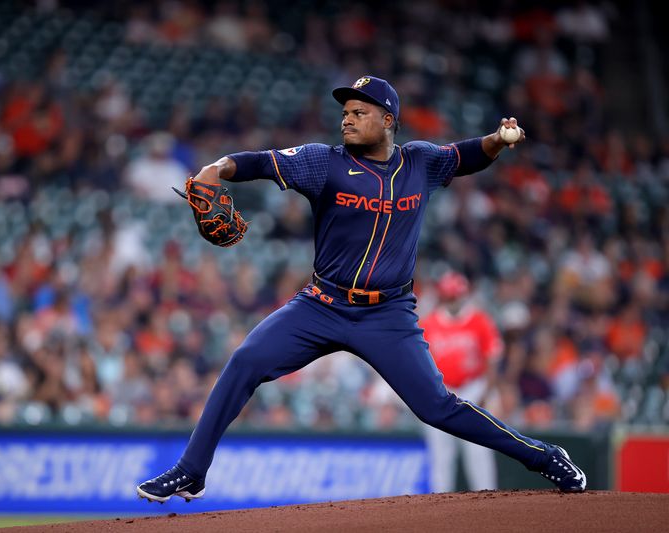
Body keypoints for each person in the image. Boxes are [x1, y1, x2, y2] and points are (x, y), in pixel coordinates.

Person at [137, 75, 586, 503]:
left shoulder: (420, 162)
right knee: (246, 360)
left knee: (437, 408)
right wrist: (217, 168)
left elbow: (467, 155)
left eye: (358, 111)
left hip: (387, 316)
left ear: (388, 120)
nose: (346, 119)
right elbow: (259, 161)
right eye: (345, 112)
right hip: (320, 305)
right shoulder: (323, 162)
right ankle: (192, 471)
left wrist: (498, 140)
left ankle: (544, 456)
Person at [420, 271, 502, 493]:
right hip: (443, 390)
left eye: (456, 296)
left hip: (473, 387)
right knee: (441, 451)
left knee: (478, 448)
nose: (453, 300)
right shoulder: (430, 323)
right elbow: (421, 363)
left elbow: (493, 359)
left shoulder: (479, 320)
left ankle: (488, 498)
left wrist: (487, 392)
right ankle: (439, 500)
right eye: (449, 296)